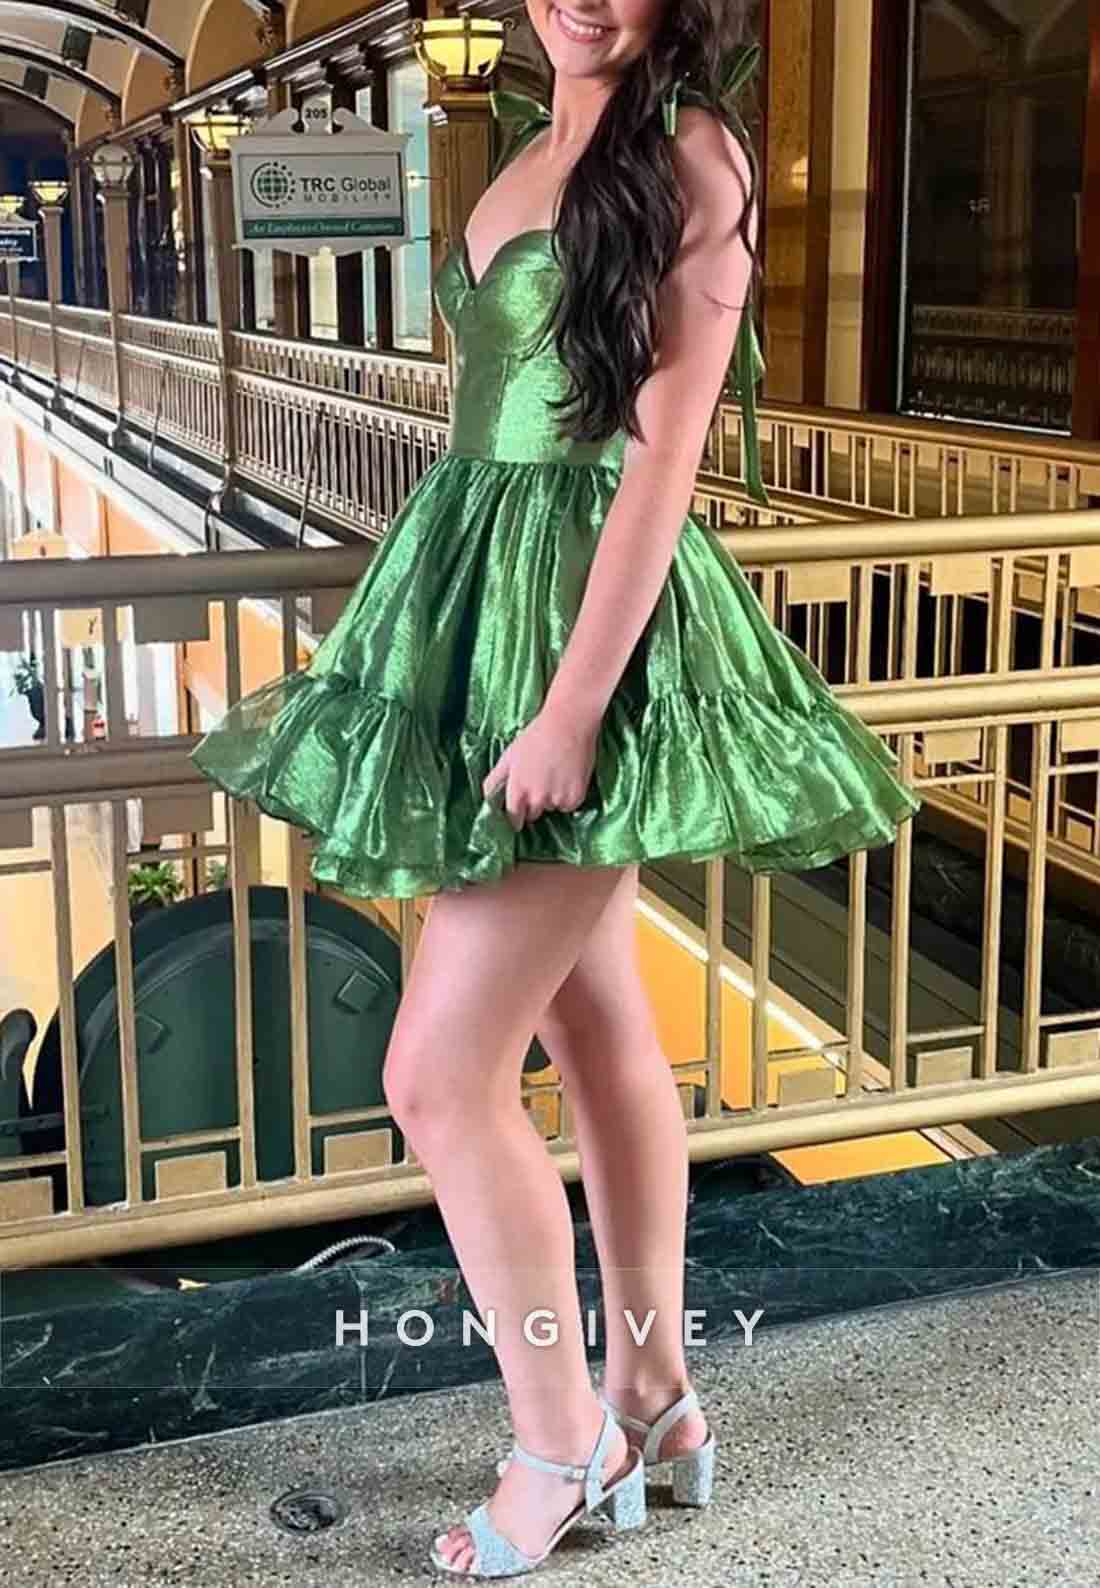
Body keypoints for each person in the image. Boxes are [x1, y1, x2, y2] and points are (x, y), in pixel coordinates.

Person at [192, 0, 922, 1576]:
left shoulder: (694, 151)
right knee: (598, 1031)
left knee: (437, 1075)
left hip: (585, 628)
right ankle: (654, 1398)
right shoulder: (531, 144)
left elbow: (664, 454)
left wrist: (575, 707)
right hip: (477, 598)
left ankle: (560, 1440)